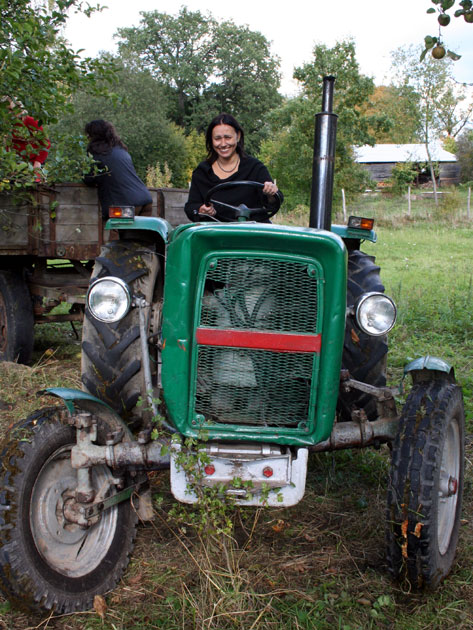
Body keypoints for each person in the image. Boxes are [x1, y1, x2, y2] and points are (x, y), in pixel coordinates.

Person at [184, 113, 282, 222]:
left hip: (252, 234)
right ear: (211, 140)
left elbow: (274, 201)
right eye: (217, 138)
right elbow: (191, 207)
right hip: (217, 235)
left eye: (228, 137)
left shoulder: (254, 167)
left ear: (238, 136)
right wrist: (201, 210)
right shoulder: (202, 172)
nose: (223, 144)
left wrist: (271, 193)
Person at [83, 119, 152, 219]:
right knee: (138, 234)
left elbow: (88, 179)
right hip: (145, 200)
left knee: (117, 233)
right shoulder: (120, 149)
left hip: (124, 206)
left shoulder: (97, 153)